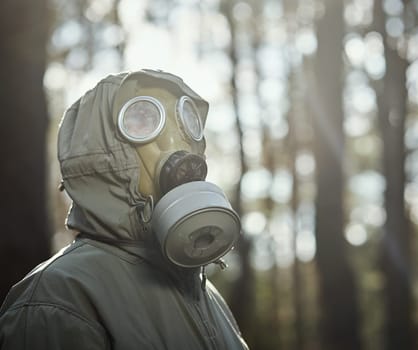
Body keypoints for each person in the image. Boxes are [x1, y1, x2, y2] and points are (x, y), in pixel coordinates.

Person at [0, 69, 249, 350]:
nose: (177, 144)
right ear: (104, 156)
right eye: (144, 121)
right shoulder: (58, 299)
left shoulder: (203, 291)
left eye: (186, 123)